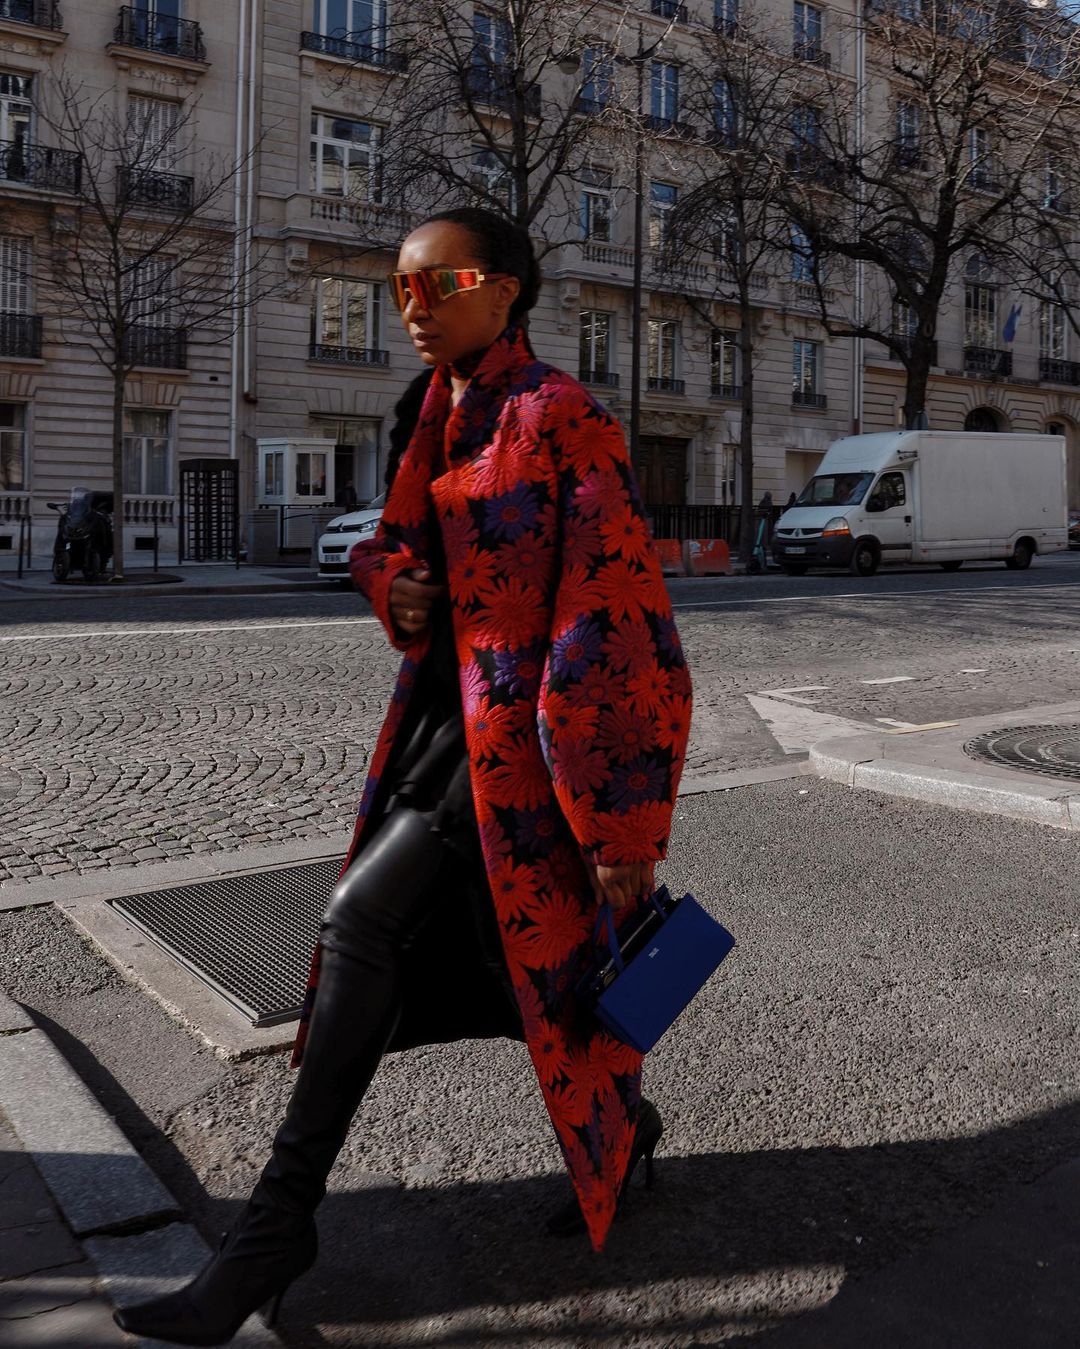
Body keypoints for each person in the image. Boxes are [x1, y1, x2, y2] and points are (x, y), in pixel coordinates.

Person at [114, 206, 693, 1345]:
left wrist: (626, 820)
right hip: (441, 730)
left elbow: (620, 617)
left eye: (439, 283)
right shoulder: (427, 411)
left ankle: (277, 1226)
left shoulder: (564, 416)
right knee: (522, 964)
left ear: (508, 290)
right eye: (400, 290)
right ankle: (626, 1128)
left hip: (531, 758)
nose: (414, 308)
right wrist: (391, 588)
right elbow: (387, 542)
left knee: (361, 924)